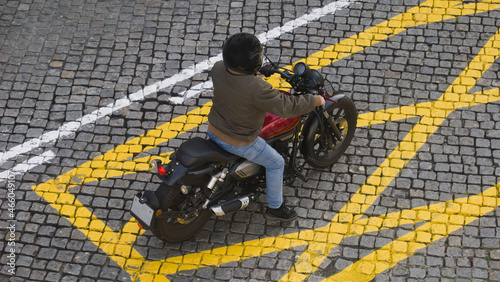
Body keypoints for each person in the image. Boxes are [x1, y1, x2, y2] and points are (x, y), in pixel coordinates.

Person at [207, 33, 325, 221]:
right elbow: (287, 107)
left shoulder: (218, 68)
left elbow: (237, 83)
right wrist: (315, 100)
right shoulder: (258, 89)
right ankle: (276, 207)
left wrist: (255, 72)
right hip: (239, 140)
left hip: (214, 129)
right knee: (276, 163)